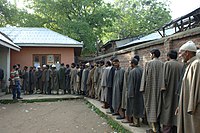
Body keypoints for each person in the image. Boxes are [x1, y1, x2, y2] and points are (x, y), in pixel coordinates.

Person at [177, 41, 200, 133]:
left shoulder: (196, 64)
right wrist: (180, 105)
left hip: (193, 108)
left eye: (181, 52)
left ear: (187, 53)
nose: (180, 55)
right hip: (187, 106)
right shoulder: (190, 64)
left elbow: (197, 88)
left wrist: (191, 107)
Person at [140, 49, 164, 133]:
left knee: (150, 108)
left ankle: (154, 129)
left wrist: (142, 89)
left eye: (150, 54)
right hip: (160, 90)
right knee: (158, 108)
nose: (150, 56)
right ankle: (158, 128)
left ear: (153, 55)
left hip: (149, 89)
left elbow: (144, 77)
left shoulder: (148, 64)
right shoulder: (162, 64)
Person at [160, 50, 183, 133]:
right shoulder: (181, 65)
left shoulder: (167, 64)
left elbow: (164, 79)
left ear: (168, 56)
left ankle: (166, 130)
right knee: (175, 111)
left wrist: (162, 89)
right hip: (178, 92)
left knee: (167, 111)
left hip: (168, 92)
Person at [127, 58, 144, 127]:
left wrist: (130, 94)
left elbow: (131, 84)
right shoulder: (141, 70)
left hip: (134, 93)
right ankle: (141, 121)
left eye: (130, 63)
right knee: (140, 106)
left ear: (133, 64)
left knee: (134, 107)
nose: (130, 65)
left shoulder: (132, 72)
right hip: (140, 92)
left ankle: (136, 123)